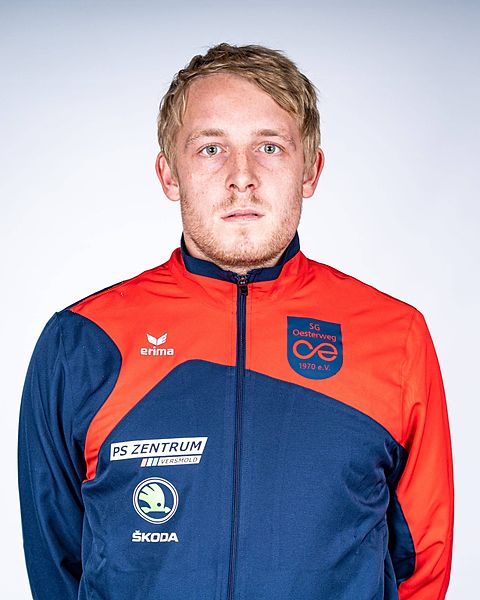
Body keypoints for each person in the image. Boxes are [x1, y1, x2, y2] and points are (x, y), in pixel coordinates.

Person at [18, 42, 454, 600]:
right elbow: (57, 563)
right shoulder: (81, 342)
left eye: (269, 147)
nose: (241, 177)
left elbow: (421, 562)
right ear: (169, 174)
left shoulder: (395, 336)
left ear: (310, 170)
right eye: (211, 149)